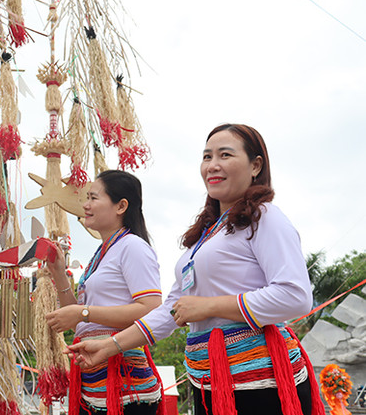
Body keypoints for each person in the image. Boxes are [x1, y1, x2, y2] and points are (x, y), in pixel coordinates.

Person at [67, 124, 325, 415]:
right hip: (208, 383)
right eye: (206, 157)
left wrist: (209, 306)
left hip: (261, 385)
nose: (213, 165)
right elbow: (172, 310)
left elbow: (295, 296)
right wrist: (111, 345)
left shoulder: (264, 217)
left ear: (256, 166)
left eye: (225, 155)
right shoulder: (206, 236)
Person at [45, 170, 164, 415]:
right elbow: (78, 321)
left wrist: (84, 312)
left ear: (121, 206)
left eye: (93, 198)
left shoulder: (132, 247)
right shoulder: (101, 254)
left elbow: (151, 308)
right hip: (94, 381)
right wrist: (58, 272)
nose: (85, 205)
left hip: (123, 384)